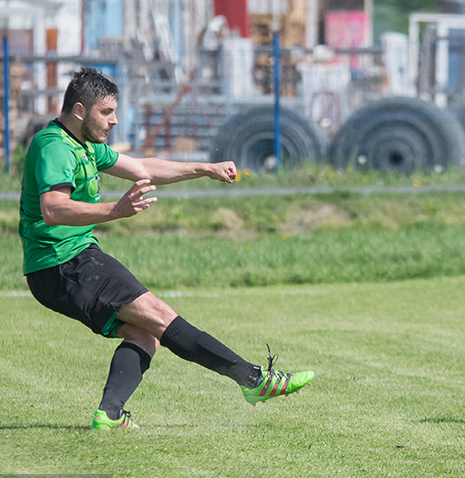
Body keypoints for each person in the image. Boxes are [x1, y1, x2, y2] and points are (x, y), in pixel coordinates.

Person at [19, 67, 314, 430]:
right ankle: (254, 380)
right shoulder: (55, 146)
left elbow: (144, 167)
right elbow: (53, 208)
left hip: (68, 263)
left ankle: (109, 414)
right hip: (63, 262)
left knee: (146, 335)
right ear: (79, 111)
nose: (114, 121)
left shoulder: (86, 144)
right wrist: (116, 210)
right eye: (106, 112)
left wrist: (205, 167)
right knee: (159, 313)